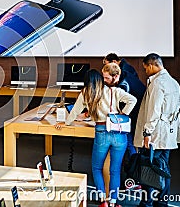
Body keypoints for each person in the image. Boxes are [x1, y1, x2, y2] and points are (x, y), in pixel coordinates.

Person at [56, 69, 137, 207]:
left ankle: (102, 200)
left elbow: (75, 112)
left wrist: (65, 123)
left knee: (97, 168)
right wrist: (123, 114)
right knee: (115, 170)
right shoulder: (114, 91)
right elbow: (132, 100)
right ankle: (113, 202)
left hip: (101, 132)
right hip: (119, 133)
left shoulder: (86, 93)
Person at [134, 53, 180, 207]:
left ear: (151, 65)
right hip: (168, 133)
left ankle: (146, 203)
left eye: (145, 69)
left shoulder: (157, 84)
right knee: (163, 169)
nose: (145, 72)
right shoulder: (173, 82)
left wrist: (147, 133)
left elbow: (153, 111)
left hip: (155, 134)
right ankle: (162, 202)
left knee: (149, 168)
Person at [102, 63, 146, 159]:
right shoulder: (126, 74)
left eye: (107, 78)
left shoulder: (123, 85)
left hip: (136, 115)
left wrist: (122, 114)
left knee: (130, 142)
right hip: (139, 113)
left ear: (116, 76)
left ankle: (134, 166)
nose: (104, 81)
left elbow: (131, 101)